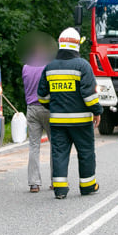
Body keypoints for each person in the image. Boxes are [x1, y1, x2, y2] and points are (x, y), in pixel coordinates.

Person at [37, 28, 102, 199]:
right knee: (86, 153)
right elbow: (90, 96)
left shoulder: (49, 67)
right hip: (81, 122)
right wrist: (97, 111)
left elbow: (42, 96)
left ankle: (60, 190)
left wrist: (54, 107)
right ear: (76, 45)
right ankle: (88, 186)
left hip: (58, 122)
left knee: (59, 154)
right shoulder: (82, 66)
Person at [22, 48, 51, 193]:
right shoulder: (48, 68)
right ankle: (55, 180)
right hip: (48, 108)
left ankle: (34, 183)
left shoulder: (25, 68)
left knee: (34, 146)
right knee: (56, 145)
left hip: (31, 109)